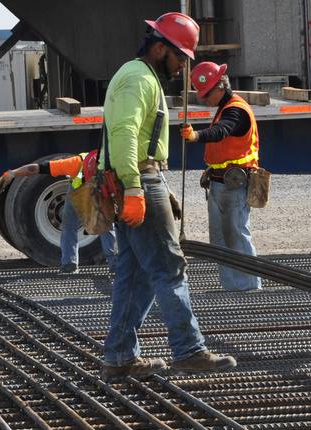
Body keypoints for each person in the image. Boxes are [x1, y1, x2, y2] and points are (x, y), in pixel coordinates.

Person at [98, 12, 236, 381]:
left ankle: (120, 358)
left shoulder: (138, 76)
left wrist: (148, 182)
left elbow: (136, 139)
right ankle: (189, 349)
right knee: (169, 267)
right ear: (161, 48)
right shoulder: (138, 79)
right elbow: (124, 134)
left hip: (141, 177)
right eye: (180, 58)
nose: (182, 67)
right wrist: (134, 186)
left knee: (135, 274)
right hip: (138, 180)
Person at [180, 62, 262, 291]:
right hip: (221, 183)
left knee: (235, 238)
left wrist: (196, 136)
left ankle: (249, 290)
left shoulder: (236, 110)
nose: (203, 98)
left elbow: (222, 131)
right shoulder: (225, 107)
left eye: (206, 93)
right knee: (221, 242)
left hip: (233, 185)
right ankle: (234, 289)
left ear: (220, 87)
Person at [0, 151, 117, 273]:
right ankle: (70, 264)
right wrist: (13, 173)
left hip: (102, 192)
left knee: (105, 224)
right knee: (75, 225)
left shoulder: (114, 163)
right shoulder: (74, 164)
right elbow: (39, 167)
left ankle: (114, 262)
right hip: (79, 191)